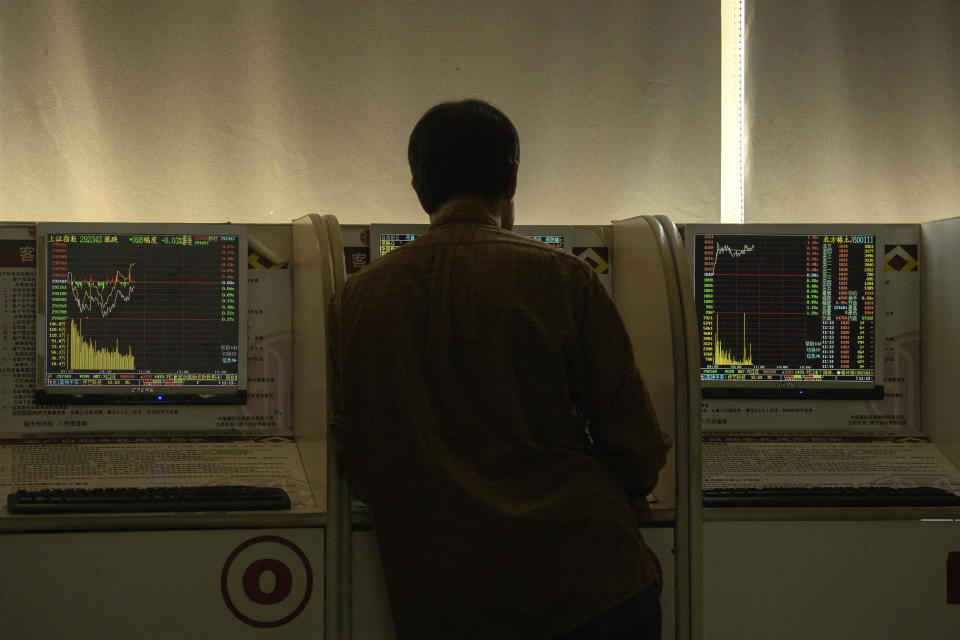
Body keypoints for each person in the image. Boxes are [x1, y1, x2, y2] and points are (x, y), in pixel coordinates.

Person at [330, 99, 672, 640]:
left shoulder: (358, 297)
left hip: (445, 597)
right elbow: (637, 446)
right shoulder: (563, 277)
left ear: (419, 190)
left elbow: (358, 448)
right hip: (586, 589)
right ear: (512, 177)